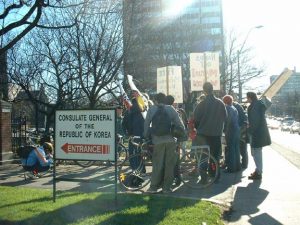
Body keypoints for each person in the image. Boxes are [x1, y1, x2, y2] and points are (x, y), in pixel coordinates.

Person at [144, 93, 185, 193]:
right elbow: (180, 124)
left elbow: (146, 124)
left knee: (157, 164)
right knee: (169, 165)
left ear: (156, 100)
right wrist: (180, 135)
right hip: (170, 140)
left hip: (157, 141)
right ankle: (166, 188)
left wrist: (145, 136)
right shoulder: (170, 109)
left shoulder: (152, 109)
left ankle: (153, 187)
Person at [193, 82, 227, 182]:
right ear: (213, 89)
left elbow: (196, 119)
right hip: (216, 134)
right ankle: (215, 175)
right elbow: (225, 117)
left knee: (203, 156)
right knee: (215, 156)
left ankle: (203, 178)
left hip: (203, 134)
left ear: (204, 91)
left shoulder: (201, 104)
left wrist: (199, 127)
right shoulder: (220, 103)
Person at [246, 92, 271, 180]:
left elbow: (254, 121)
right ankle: (258, 170)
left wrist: (250, 130)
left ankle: (259, 172)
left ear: (250, 98)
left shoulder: (254, 106)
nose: (246, 99)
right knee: (257, 153)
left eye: (247, 98)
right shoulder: (258, 104)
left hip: (256, 133)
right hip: (259, 132)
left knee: (256, 153)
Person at [122, 90, 145, 171]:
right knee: (140, 153)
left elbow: (123, 124)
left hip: (131, 136)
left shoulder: (128, 112)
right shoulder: (142, 112)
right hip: (140, 136)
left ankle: (134, 169)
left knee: (132, 153)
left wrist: (126, 133)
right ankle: (141, 169)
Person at [222, 95, 241, 173]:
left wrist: (224, 129)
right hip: (236, 130)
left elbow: (228, 121)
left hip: (231, 130)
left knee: (231, 149)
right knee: (236, 148)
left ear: (225, 101)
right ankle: (237, 166)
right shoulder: (234, 108)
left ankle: (231, 168)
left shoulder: (227, 108)